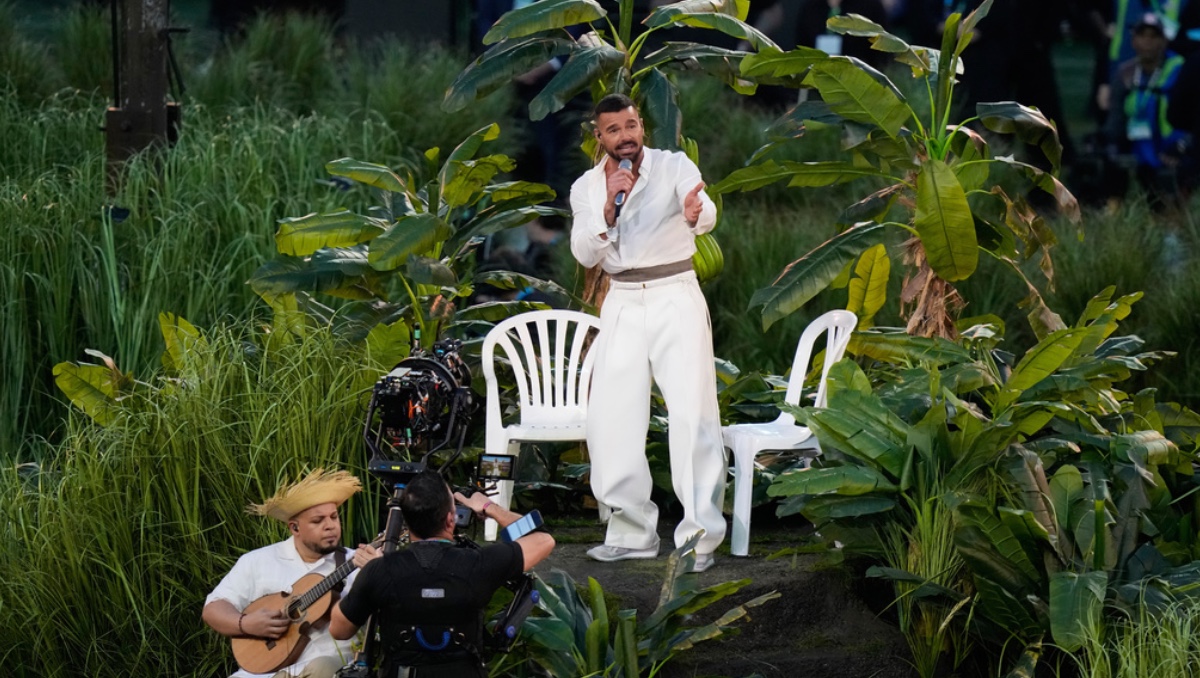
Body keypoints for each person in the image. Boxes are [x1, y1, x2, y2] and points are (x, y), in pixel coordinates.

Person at [568, 93, 726, 572]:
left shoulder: (674, 164)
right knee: (611, 418)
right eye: (614, 129)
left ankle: (698, 540)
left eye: (631, 125)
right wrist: (609, 212)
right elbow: (582, 252)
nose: (626, 136)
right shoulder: (587, 188)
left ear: (642, 127)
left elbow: (704, 208)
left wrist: (699, 215)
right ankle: (631, 531)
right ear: (600, 138)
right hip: (621, 300)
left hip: (674, 292)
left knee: (692, 416)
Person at [329, 471, 554, 678]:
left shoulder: (379, 570)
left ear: (407, 522)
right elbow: (543, 539)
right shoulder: (480, 564)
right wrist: (488, 506)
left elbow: (339, 630)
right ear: (450, 519)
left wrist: (370, 575)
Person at [202, 469, 382, 678]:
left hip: (327, 672)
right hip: (261, 674)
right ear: (294, 528)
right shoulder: (258, 560)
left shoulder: (359, 564)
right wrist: (246, 623)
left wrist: (377, 573)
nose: (330, 526)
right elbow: (213, 608)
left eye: (333, 517)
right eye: (318, 521)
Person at [1106, 12, 1190, 206]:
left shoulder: (1180, 70)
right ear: (1134, 40)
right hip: (1136, 147)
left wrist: (1183, 145)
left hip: (1173, 148)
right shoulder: (1125, 73)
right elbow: (1115, 119)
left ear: (1164, 41)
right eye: (1142, 36)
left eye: (1153, 37)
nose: (1147, 42)